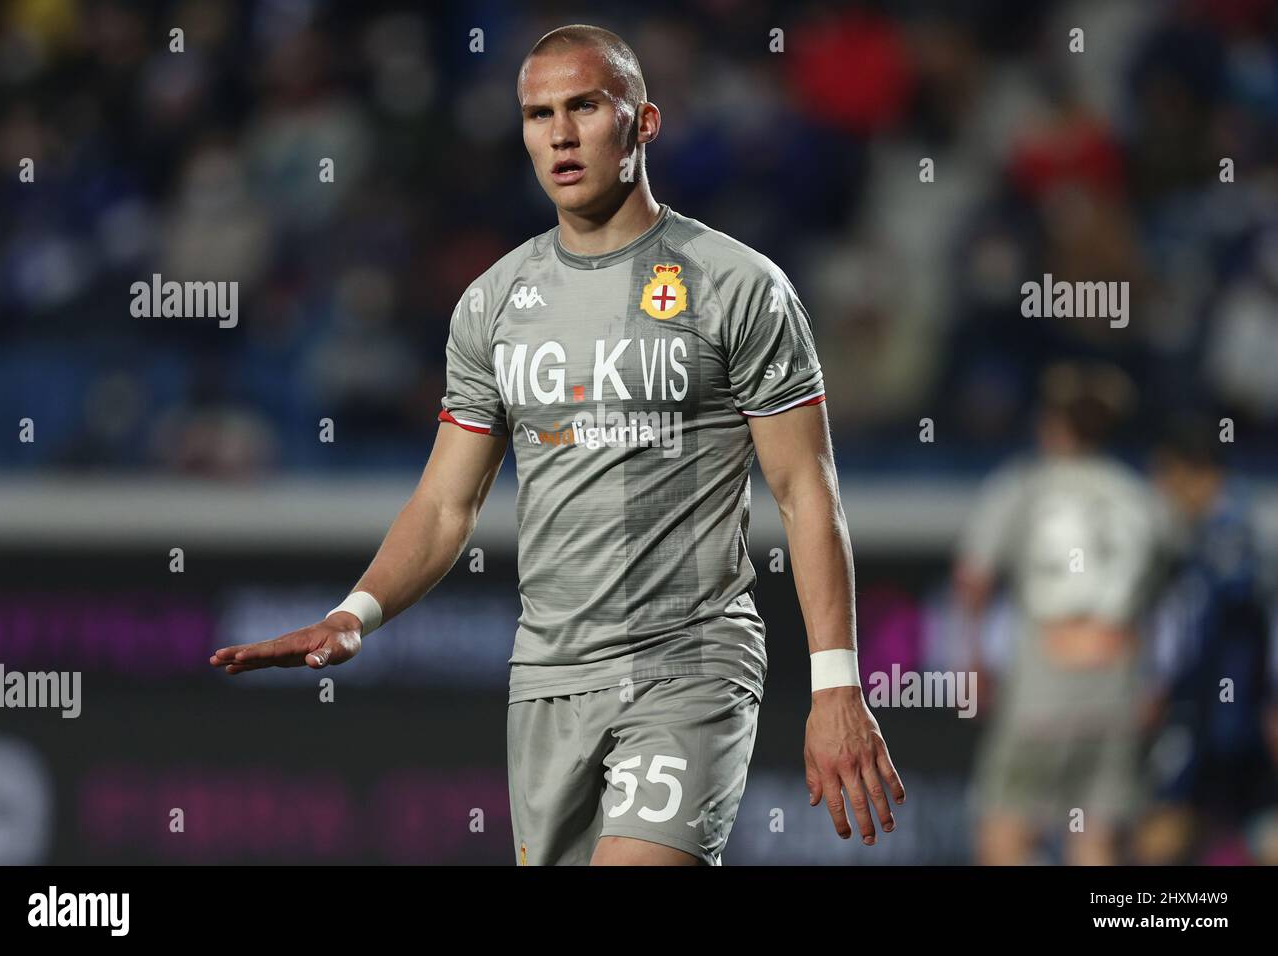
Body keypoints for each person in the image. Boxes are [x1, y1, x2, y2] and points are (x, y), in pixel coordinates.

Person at [210, 24, 903, 865]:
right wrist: (356, 615)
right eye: (539, 115)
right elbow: (444, 503)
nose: (561, 134)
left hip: (690, 662)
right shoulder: (492, 305)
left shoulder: (739, 286)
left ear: (642, 123)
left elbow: (805, 489)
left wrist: (835, 685)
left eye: (584, 106)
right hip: (547, 678)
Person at [953, 362, 1164, 865]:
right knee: (1093, 838)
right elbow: (1164, 597)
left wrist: (974, 656)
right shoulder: (1140, 498)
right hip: (1115, 688)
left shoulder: (1023, 487)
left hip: (1042, 690)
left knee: (1004, 828)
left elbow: (973, 581)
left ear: (1051, 422)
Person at [1135, 416, 1278, 864]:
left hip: (1221, 712)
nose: (1160, 487)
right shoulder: (1221, 527)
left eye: (1165, 473)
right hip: (1230, 708)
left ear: (1193, 470)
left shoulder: (1232, 537)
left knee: (1164, 829)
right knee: (1250, 824)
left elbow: (1234, 627)